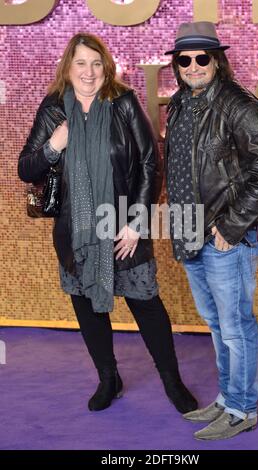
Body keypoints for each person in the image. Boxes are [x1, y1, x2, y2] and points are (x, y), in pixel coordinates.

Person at [18, 33, 198, 415]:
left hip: (123, 228)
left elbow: (151, 163)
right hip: (76, 232)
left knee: (147, 306)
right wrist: (54, 146)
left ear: (107, 67)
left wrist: (137, 221)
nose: (89, 71)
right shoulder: (53, 109)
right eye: (81, 63)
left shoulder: (124, 103)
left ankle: (172, 381)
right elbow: (26, 167)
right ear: (68, 67)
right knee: (88, 309)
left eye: (96, 63)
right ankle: (108, 379)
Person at [164, 22, 258, 439]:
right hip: (190, 232)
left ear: (217, 61)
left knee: (235, 326)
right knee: (216, 324)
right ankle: (227, 397)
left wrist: (231, 228)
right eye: (185, 59)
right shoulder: (180, 104)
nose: (193, 66)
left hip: (225, 237)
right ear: (176, 65)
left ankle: (242, 409)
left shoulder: (238, 105)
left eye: (202, 58)